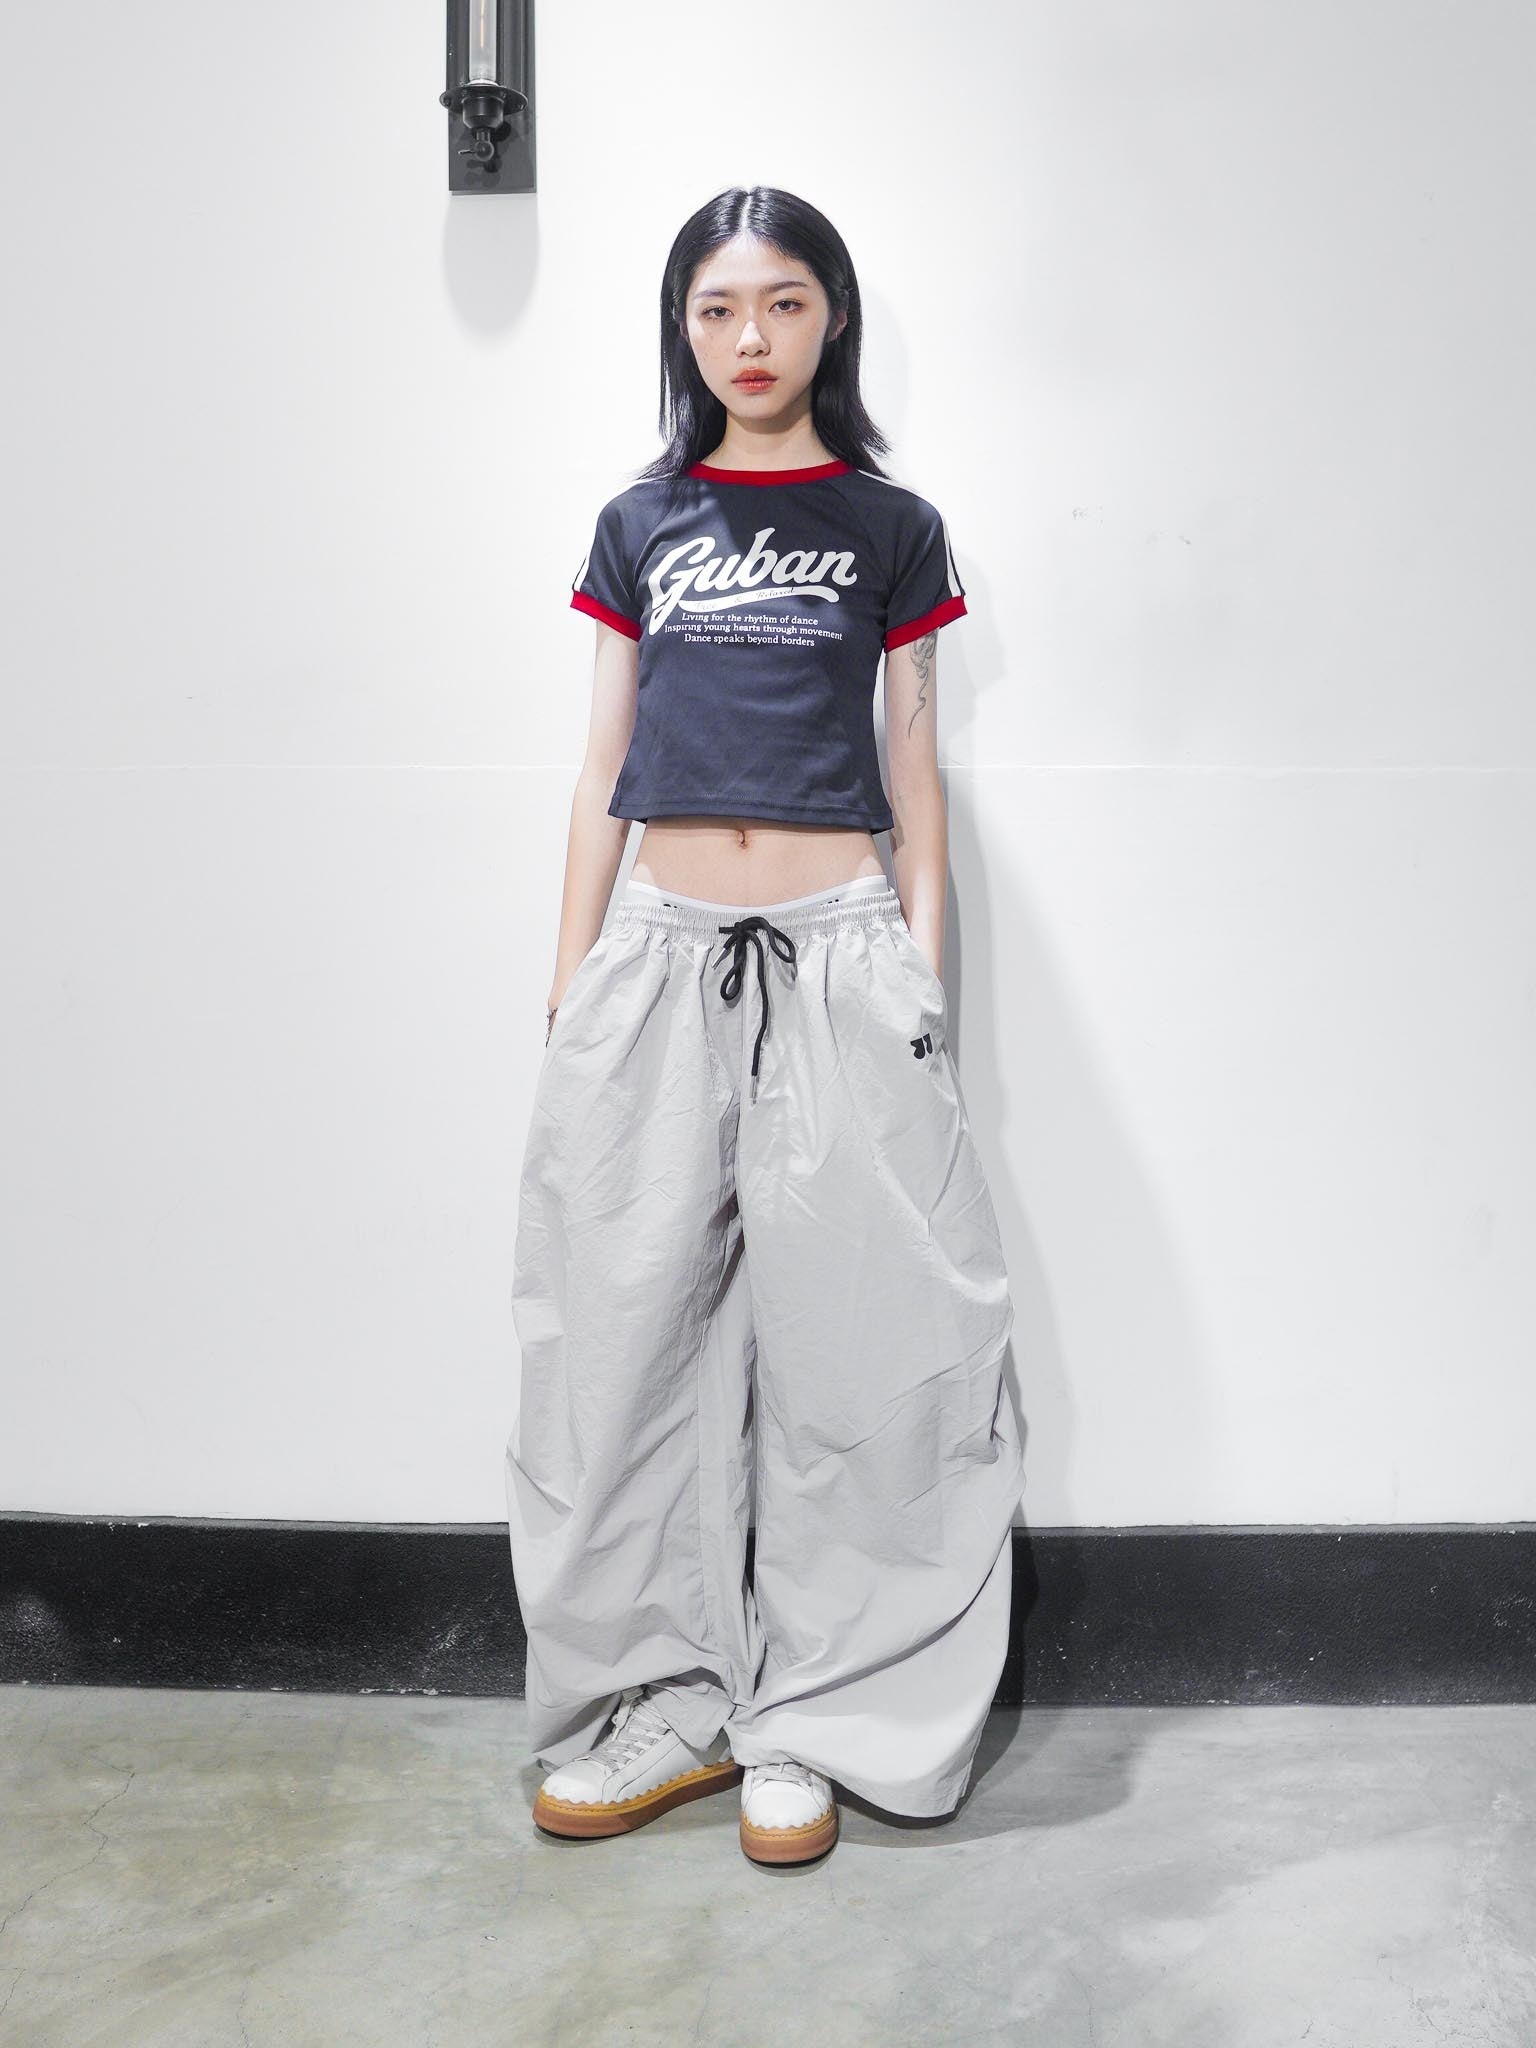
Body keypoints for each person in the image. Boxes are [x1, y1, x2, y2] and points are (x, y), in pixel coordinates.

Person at [506, 185, 1024, 1867]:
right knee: (621, 1341)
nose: (751, 337)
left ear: (832, 319)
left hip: (840, 948)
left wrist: (919, 987)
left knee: (860, 1343)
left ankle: (820, 1714)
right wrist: (573, 983)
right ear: (683, 328)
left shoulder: (891, 526)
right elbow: (600, 765)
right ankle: (663, 1704)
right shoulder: (638, 521)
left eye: (784, 303)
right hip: (656, 950)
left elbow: (916, 772)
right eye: (718, 308)